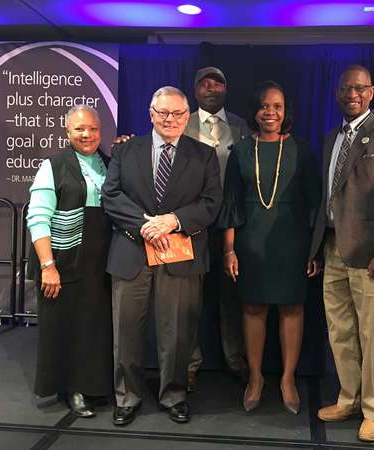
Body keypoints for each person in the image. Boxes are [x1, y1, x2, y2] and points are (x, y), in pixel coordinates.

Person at [102, 86, 222, 426]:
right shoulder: (126, 151)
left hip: (180, 256)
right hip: (131, 252)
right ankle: (128, 397)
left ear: (188, 116)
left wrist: (174, 220)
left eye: (178, 113)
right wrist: (145, 226)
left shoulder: (204, 156)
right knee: (125, 333)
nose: (170, 119)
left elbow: (212, 203)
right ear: (151, 114)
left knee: (177, 332)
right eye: (163, 113)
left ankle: (174, 394)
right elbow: (111, 196)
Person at [310, 65, 374, 442]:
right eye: (345, 89)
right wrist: (317, 248)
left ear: (371, 92)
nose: (351, 94)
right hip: (334, 248)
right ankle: (349, 398)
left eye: (359, 88)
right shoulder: (330, 138)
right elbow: (328, 200)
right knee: (340, 332)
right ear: (337, 94)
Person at [219, 80, 321, 415]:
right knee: (252, 308)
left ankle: (288, 379)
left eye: (277, 106)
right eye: (264, 106)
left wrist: (314, 250)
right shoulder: (241, 151)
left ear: (286, 111)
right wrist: (230, 249)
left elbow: (314, 204)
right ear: (255, 111)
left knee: (292, 307)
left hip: (293, 243)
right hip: (251, 243)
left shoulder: (302, 150)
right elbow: (231, 203)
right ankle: (256, 378)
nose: (270, 112)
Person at [26, 104, 113, 418]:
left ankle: (94, 385)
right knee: (69, 327)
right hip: (64, 262)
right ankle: (73, 388)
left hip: (99, 262)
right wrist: (48, 266)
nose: (87, 135)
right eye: (79, 129)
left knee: (94, 327)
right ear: (67, 132)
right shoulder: (53, 165)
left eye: (92, 128)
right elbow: (37, 217)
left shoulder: (108, 162)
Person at [184, 66, 251, 391]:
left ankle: (236, 360)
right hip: (191, 227)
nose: (211, 88)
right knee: (189, 300)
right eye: (204, 83)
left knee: (232, 298)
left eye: (218, 82)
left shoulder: (241, 127)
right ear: (195, 90)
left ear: (226, 89)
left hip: (231, 227)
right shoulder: (180, 123)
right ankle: (189, 364)